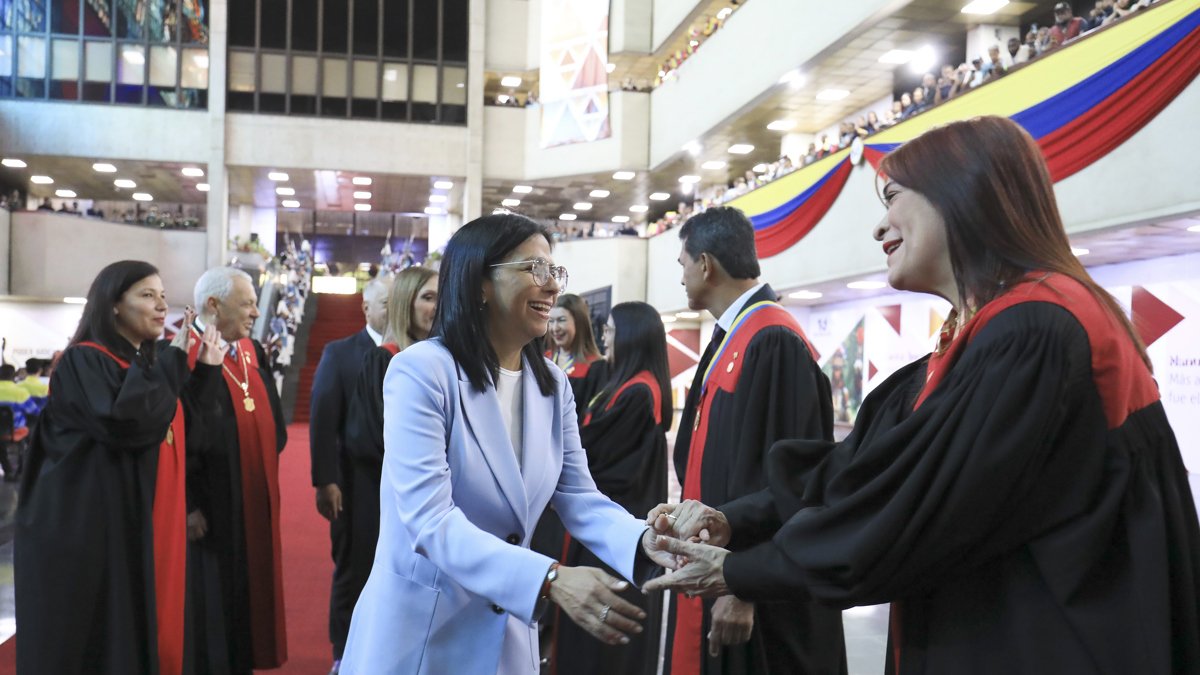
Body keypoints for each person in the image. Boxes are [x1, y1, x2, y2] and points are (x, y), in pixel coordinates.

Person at [645, 116, 1200, 675]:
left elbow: (914, 509)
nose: (879, 227)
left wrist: (743, 572)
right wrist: (735, 519)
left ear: (961, 195)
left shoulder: (1037, 328)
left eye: (893, 198)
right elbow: (864, 466)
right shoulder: (982, 332)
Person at [339, 213, 675, 675]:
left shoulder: (552, 384)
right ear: (480, 282)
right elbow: (430, 521)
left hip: (507, 633)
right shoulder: (422, 371)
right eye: (535, 270)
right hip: (423, 633)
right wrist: (548, 578)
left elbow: (579, 498)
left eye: (554, 272)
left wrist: (648, 542)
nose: (552, 287)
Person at [15, 260, 226, 675]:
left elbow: (189, 437)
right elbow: (125, 422)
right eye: (147, 295)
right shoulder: (83, 361)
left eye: (164, 296)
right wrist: (174, 362)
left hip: (130, 524)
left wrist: (205, 375)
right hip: (85, 532)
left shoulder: (146, 367)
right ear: (112, 305)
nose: (161, 305)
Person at [665, 206, 844, 675]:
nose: (681, 276)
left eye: (682, 263)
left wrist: (743, 585)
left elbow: (793, 482)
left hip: (758, 595)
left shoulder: (773, 340)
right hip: (723, 567)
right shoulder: (733, 336)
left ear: (706, 264)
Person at [553, 301, 672, 675]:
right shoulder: (624, 386)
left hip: (615, 529)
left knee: (602, 645)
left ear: (632, 336)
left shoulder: (639, 393)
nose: (605, 336)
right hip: (604, 523)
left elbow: (601, 457)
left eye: (612, 331)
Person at [185, 266, 289, 674]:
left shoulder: (251, 351)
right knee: (213, 600)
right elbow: (181, 436)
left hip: (253, 496)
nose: (254, 313)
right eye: (246, 303)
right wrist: (190, 505)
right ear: (213, 305)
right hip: (210, 506)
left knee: (248, 595)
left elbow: (275, 426)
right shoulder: (185, 355)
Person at [341, 265, 439, 660]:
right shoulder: (384, 360)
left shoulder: (444, 360)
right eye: (428, 297)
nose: (438, 306)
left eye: (440, 297)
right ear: (405, 303)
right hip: (393, 498)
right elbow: (366, 438)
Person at [308, 278, 390, 673]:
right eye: (385, 303)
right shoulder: (341, 353)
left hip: (396, 488)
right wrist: (325, 481)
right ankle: (343, 652)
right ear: (367, 309)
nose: (392, 310)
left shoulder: (417, 352)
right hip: (354, 487)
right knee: (352, 569)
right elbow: (323, 422)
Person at [547, 293, 605, 419]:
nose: (555, 328)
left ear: (579, 323)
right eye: (551, 321)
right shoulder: (544, 360)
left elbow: (591, 415)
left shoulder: (595, 366)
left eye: (561, 320)